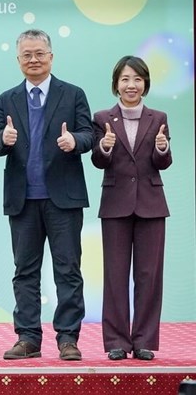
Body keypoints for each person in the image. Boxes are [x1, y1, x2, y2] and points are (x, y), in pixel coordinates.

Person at [0, 29, 93, 361]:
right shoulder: (7, 99)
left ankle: (67, 338)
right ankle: (28, 338)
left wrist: (74, 141)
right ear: (18, 60)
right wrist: (3, 139)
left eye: (39, 53)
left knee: (67, 269)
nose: (33, 60)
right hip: (23, 199)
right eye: (26, 55)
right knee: (25, 270)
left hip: (63, 197)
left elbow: (90, 133)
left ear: (51, 56)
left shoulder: (73, 94)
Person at [91, 55, 172, 361]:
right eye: (125, 79)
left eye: (137, 79)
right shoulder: (102, 118)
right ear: (116, 84)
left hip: (152, 204)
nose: (131, 85)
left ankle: (144, 341)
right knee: (114, 275)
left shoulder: (159, 117)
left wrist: (162, 148)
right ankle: (116, 341)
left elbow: (162, 161)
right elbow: (99, 161)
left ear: (145, 84)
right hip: (115, 205)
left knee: (150, 275)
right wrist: (106, 146)